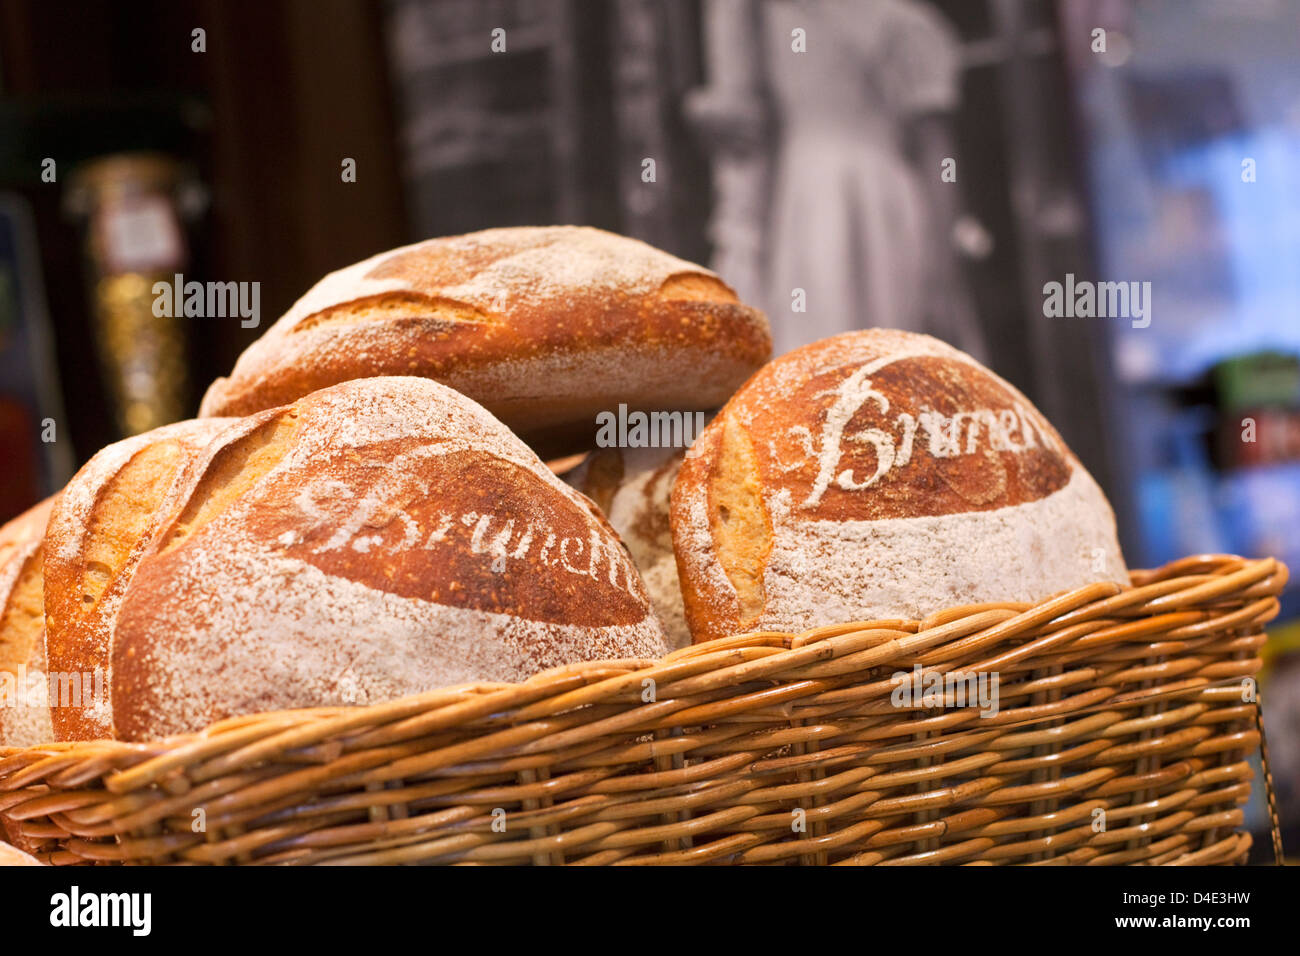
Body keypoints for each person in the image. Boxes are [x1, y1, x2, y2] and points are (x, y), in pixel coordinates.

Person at [689, 0, 987, 360]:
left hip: (877, 209)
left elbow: (937, 156)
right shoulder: (763, 16)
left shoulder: (902, 24)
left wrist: (940, 273)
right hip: (799, 209)